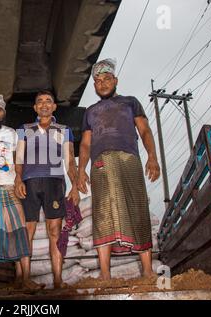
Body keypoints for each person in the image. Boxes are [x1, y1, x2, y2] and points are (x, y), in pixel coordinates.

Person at [77, 58, 161, 280]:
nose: (102, 84)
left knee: (137, 208)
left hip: (128, 160)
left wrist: (152, 157)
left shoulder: (130, 102)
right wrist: (80, 170)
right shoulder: (90, 112)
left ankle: (148, 271)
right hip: (101, 164)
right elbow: (85, 144)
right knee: (103, 213)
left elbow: (144, 131)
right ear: (94, 86)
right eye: (98, 81)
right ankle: (105, 275)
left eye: (106, 79)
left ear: (115, 80)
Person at [0, 95, 42, 290]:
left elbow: (16, 160)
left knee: (18, 231)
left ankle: (24, 278)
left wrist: (19, 180)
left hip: (9, 185)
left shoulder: (11, 133)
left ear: (4, 113)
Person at [15, 90, 80, 289]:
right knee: (28, 230)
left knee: (55, 232)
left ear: (54, 107)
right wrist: (18, 178)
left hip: (55, 183)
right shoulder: (24, 129)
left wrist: (75, 186)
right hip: (30, 182)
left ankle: (58, 281)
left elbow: (70, 160)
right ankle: (25, 279)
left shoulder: (64, 129)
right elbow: (18, 157)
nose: (44, 104)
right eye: (40, 102)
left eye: (48, 101)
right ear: (35, 108)